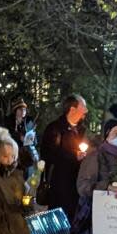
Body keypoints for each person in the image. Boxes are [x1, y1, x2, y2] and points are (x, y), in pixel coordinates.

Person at [39, 94, 90, 223]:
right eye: (83, 106)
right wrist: (74, 155)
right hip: (59, 184)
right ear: (72, 109)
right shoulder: (55, 129)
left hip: (77, 184)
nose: (86, 110)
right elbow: (48, 154)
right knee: (57, 220)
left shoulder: (82, 130)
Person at [9, 100, 38, 179]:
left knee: (28, 179)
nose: (23, 111)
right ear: (16, 111)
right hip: (13, 154)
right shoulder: (9, 122)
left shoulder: (29, 122)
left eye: (24, 109)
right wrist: (19, 137)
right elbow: (7, 136)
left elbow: (35, 141)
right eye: (20, 109)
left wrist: (31, 139)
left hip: (27, 155)